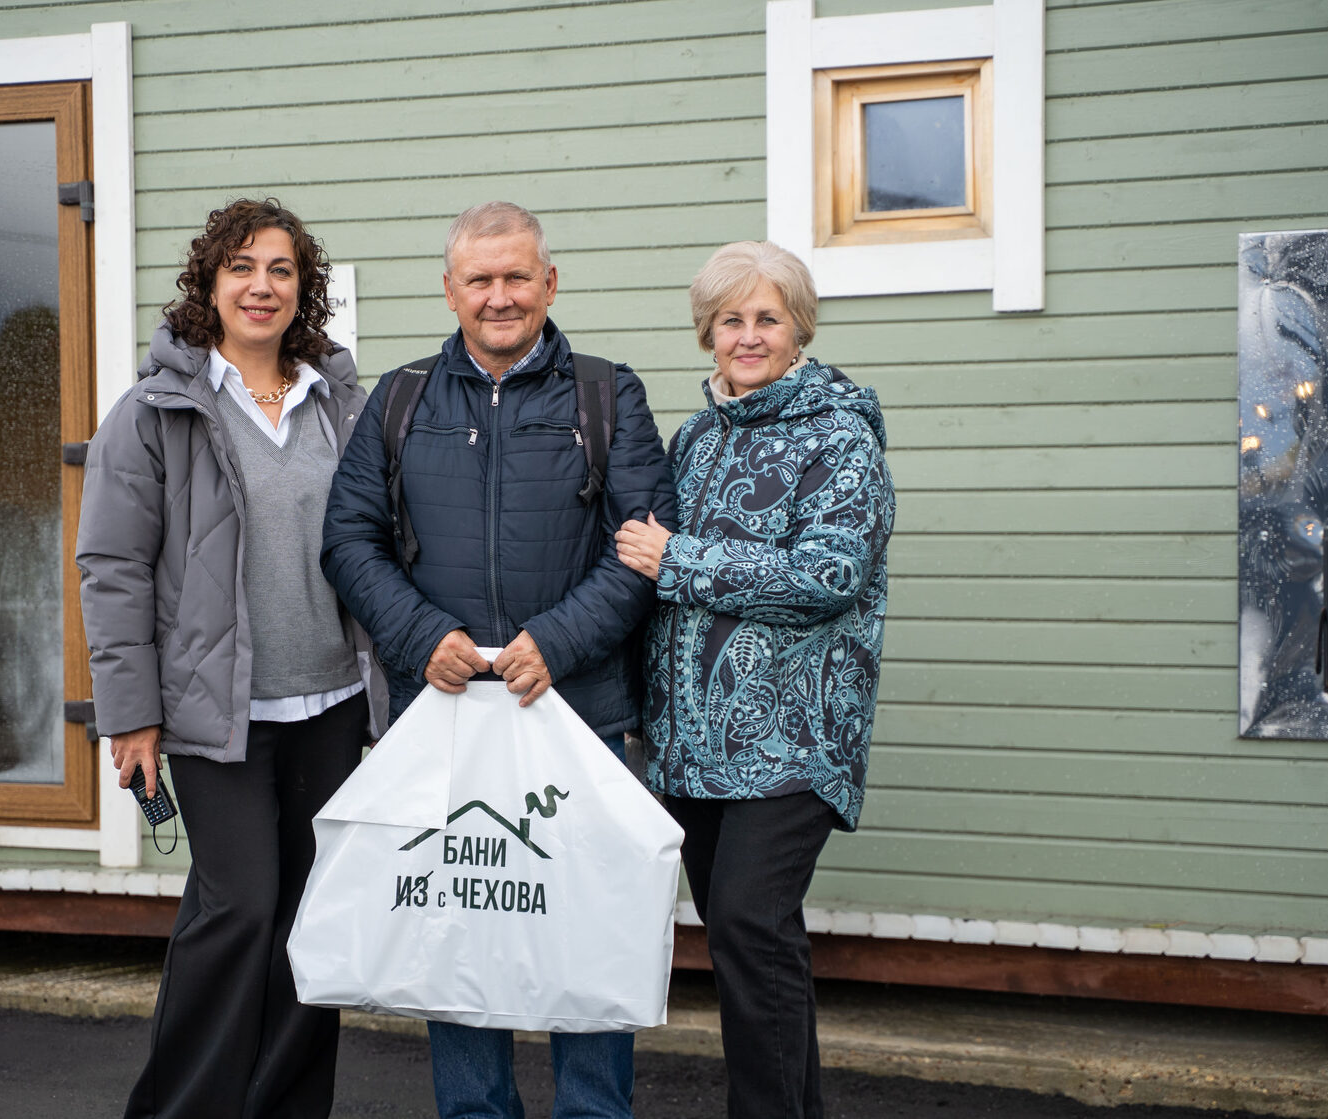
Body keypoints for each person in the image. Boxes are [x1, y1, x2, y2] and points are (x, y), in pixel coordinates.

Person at [321, 201, 676, 1119]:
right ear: (449, 290)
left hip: (580, 718)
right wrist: (418, 637)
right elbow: (349, 540)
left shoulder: (608, 395)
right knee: (462, 927)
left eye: (518, 276)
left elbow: (643, 547)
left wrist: (557, 641)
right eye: (479, 279)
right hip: (443, 722)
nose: (500, 296)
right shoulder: (399, 400)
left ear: (549, 283)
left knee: (585, 934)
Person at [76, 198, 380, 1119]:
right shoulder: (157, 411)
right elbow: (113, 567)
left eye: (281, 269)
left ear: (303, 289)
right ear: (209, 284)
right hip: (218, 711)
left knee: (310, 918)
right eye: (241, 267)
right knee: (239, 909)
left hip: (331, 703)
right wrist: (131, 713)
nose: (261, 286)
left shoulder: (340, 403)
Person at [614, 240, 894, 1119]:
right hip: (695, 746)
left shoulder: (839, 435)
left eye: (767, 318)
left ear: (798, 326)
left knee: (746, 921)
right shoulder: (696, 438)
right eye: (730, 319)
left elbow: (828, 574)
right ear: (708, 331)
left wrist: (681, 559)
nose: (748, 336)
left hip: (793, 737)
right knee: (753, 940)